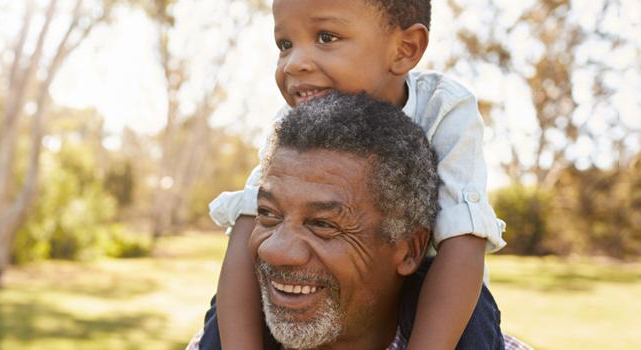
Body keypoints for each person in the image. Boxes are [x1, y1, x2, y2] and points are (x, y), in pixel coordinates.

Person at [208, 0, 507, 348]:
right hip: (330, 298)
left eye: (326, 37)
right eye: (285, 44)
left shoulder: (444, 107)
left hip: (434, 288)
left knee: (474, 310)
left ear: (404, 48)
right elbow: (248, 220)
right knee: (228, 308)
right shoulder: (288, 123)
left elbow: (463, 239)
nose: (295, 63)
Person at [190, 92, 510, 350]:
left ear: (410, 250)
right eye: (269, 215)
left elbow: (466, 241)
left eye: (323, 224)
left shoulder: (446, 107)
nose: (275, 251)